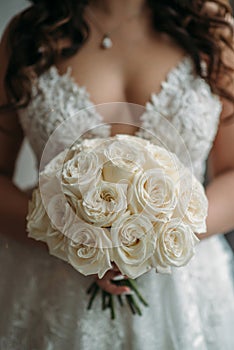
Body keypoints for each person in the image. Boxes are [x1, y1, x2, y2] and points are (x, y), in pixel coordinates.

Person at [0, 0, 234, 349]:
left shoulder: (212, 30)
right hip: (56, 293)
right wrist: (71, 238)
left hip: (183, 293)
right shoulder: (29, 37)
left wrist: (162, 234)